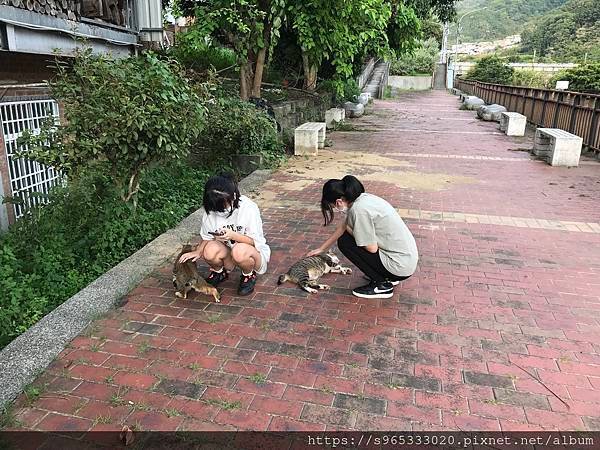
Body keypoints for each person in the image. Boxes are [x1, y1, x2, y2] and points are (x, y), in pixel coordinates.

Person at [307, 175, 418, 299]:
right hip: (405, 260)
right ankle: (385, 277)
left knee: (345, 242)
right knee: (347, 236)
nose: (335, 209)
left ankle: (382, 285)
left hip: (399, 266)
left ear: (338, 202)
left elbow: (371, 248)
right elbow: (344, 225)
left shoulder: (359, 210)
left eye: (333, 206)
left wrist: (351, 230)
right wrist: (322, 249)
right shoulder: (363, 199)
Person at [179, 173, 270, 296]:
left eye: (224, 204)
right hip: (229, 253)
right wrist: (197, 252)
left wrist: (233, 236)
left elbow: (256, 241)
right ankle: (219, 272)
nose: (220, 210)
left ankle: (248, 274)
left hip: (253, 254)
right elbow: (207, 238)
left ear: (232, 196)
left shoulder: (249, 208)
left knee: (239, 250)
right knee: (209, 249)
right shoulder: (211, 209)